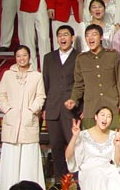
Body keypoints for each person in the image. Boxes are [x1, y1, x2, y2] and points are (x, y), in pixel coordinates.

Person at [0, 45, 46, 190]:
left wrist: (31, 111)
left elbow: (40, 96)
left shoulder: (36, 76)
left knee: (29, 160)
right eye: (18, 56)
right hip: (12, 122)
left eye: (24, 55)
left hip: (28, 122)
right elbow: (1, 95)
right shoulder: (8, 74)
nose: (21, 58)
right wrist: (8, 110)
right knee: (11, 159)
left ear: (29, 57)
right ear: (15, 58)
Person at [66, 24, 120, 129]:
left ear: (101, 37)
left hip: (111, 107)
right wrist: (73, 99)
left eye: (94, 34)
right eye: (87, 35)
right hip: (91, 109)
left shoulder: (113, 55)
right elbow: (79, 85)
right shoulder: (81, 59)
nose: (90, 38)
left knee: (113, 137)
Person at [42, 25, 79, 182]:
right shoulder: (48, 58)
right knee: (56, 147)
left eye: (66, 34)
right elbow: (45, 83)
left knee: (74, 146)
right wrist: (44, 107)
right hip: (53, 108)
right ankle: (60, 182)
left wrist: (79, 105)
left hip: (71, 110)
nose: (63, 38)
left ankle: (76, 181)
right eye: (59, 35)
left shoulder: (79, 57)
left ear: (72, 38)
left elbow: (81, 84)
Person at [65, 106, 120, 190]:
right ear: (96, 117)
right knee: (98, 175)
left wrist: (117, 146)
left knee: (115, 180)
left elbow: (117, 162)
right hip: (89, 170)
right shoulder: (83, 134)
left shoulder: (114, 135)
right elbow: (68, 156)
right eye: (102, 115)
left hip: (107, 170)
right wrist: (74, 136)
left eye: (109, 116)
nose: (105, 119)